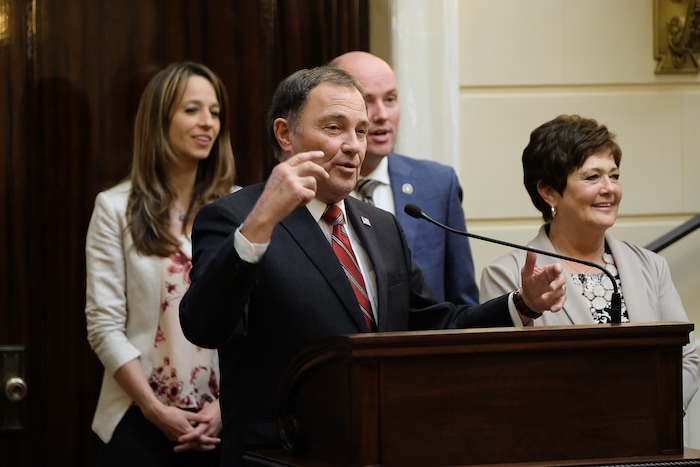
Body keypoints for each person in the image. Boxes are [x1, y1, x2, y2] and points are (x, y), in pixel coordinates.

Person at [178, 65, 567, 465]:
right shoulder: (235, 217)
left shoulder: (381, 226)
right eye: (334, 128)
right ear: (285, 134)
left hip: (384, 448)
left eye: (360, 131)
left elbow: (433, 325)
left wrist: (521, 305)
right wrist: (261, 222)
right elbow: (205, 326)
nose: (353, 145)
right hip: (283, 455)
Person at [479, 114, 700, 410]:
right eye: (592, 177)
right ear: (549, 192)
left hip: (647, 442)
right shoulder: (505, 275)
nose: (609, 188)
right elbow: (504, 377)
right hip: (561, 445)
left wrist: (654, 410)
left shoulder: (651, 266)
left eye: (615, 175)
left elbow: (687, 355)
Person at [85, 61, 237, 466]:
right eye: (192, 109)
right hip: (138, 424)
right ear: (159, 119)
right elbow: (103, 325)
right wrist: (155, 410)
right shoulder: (114, 208)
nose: (207, 122)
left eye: (215, 111)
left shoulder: (240, 208)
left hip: (224, 425)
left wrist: (225, 409)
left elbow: (260, 321)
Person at [329, 51, 479, 305]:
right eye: (367, 102)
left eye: (390, 99)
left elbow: (462, 300)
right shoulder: (313, 190)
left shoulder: (438, 184)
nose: (381, 115)